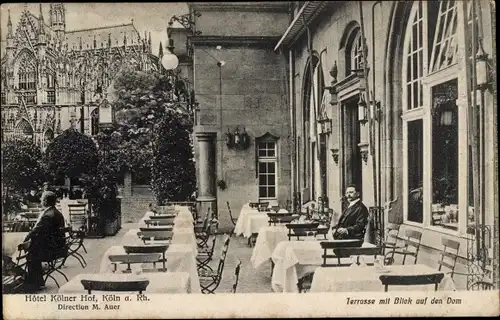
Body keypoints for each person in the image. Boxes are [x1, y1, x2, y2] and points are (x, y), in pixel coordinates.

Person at [23, 191, 67, 291]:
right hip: (58, 247)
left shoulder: (48, 215)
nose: (41, 201)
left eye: (42, 199)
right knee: (34, 248)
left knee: (32, 253)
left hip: (52, 251)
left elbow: (35, 231)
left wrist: (25, 239)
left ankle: (34, 283)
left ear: (45, 201)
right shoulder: (56, 213)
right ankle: (37, 281)